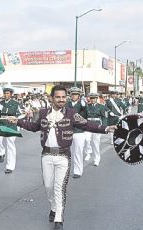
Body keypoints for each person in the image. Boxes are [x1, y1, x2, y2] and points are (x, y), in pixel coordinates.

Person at [13, 85, 116, 230]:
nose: (61, 100)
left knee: (59, 187)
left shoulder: (71, 113)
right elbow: (34, 127)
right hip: (46, 155)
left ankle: (59, 218)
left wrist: (106, 128)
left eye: (63, 97)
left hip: (63, 156)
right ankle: (54, 207)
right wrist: (17, 121)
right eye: (58, 97)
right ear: (51, 98)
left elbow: (87, 125)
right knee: (48, 186)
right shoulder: (43, 113)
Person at [0, 87, 20, 174]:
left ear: (11, 94)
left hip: (11, 125)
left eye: (8, 93)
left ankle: (10, 167)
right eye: (5, 93)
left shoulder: (15, 103)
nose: (6, 95)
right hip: (2, 124)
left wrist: (0, 106)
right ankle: (1, 153)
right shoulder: (0, 103)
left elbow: (12, 112)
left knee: (10, 145)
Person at [66, 87, 87, 178]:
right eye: (72, 94)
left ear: (79, 96)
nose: (74, 96)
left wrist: (84, 106)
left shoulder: (82, 104)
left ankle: (77, 171)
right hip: (68, 130)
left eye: (76, 94)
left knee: (78, 152)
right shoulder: (67, 104)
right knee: (66, 152)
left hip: (79, 131)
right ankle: (65, 170)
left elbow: (86, 116)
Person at [84, 93, 107, 167]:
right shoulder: (87, 106)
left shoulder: (101, 107)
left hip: (97, 125)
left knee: (96, 143)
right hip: (89, 124)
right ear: (89, 99)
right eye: (91, 98)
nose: (93, 100)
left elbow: (103, 117)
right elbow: (84, 116)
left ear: (96, 99)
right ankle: (88, 152)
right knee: (87, 139)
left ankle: (97, 158)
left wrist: (104, 127)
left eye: (94, 98)